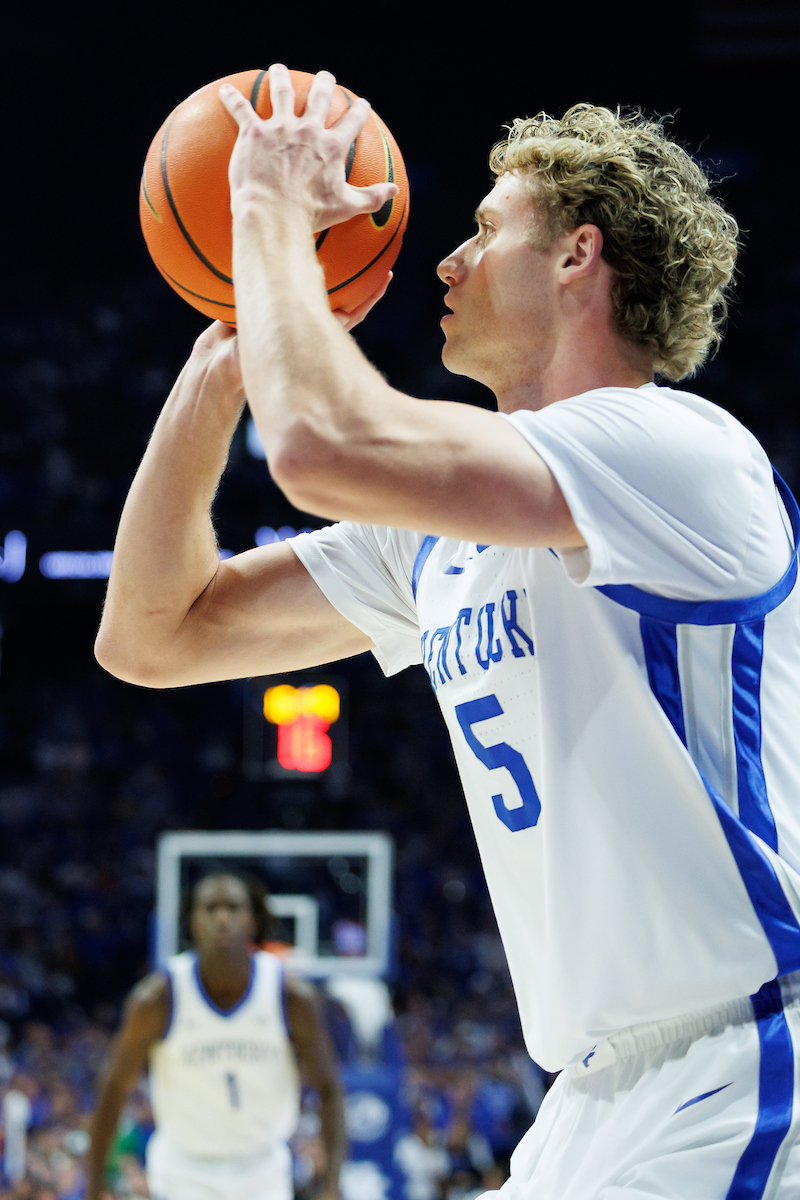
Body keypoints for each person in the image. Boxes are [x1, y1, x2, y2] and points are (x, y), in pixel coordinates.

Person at [93, 64, 800, 1196]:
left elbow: (321, 446)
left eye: (485, 229)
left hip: (745, 1063)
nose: (446, 260)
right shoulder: (432, 539)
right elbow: (150, 636)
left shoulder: (676, 451)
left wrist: (268, 206)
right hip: (592, 1097)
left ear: (576, 256)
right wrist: (222, 361)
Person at [86, 871, 345, 1200]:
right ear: (193, 921)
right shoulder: (157, 999)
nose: (222, 919)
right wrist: (95, 1187)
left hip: (263, 1169)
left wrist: (332, 1183)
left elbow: (328, 1089)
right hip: (183, 1171)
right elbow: (113, 1090)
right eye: (210, 909)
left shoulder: (291, 996)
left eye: (233, 908)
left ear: (253, 920)